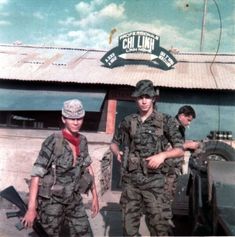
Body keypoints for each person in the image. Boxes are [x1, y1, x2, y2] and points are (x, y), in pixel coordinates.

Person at [110, 79, 184, 236]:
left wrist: (163, 155)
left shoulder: (165, 120)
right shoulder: (128, 121)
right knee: (129, 228)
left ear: (153, 98)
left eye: (147, 97)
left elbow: (180, 150)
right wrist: (118, 153)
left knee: (160, 227)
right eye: (140, 97)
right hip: (131, 182)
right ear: (135, 99)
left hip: (155, 182)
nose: (144, 101)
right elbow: (114, 143)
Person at [22, 99, 99, 237]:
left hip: (74, 200)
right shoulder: (53, 141)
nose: (76, 122)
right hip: (52, 203)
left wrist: (95, 197)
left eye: (79, 118)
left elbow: (87, 167)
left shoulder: (82, 141)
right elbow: (36, 174)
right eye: (71, 118)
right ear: (64, 119)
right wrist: (31, 208)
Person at [163, 105, 200, 215]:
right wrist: (188, 145)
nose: (189, 123)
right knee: (165, 196)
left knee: (170, 195)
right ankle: (162, 222)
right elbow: (167, 147)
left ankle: (165, 218)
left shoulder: (180, 128)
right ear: (181, 116)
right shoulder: (172, 125)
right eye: (188, 120)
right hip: (167, 168)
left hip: (173, 168)